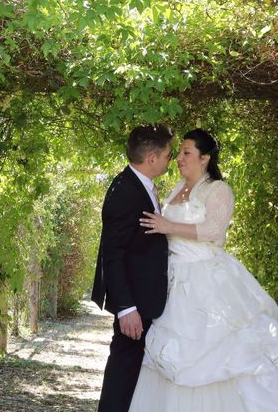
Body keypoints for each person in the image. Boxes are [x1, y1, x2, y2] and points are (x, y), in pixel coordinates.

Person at [130, 128, 278, 412]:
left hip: (206, 278)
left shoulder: (218, 189)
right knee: (169, 356)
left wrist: (168, 226)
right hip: (171, 280)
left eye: (186, 153)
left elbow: (214, 232)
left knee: (221, 350)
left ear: (204, 158)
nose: (178, 158)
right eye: (179, 153)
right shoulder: (175, 190)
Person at [91, 124, 174, 412]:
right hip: (135, 304)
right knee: (122, 375)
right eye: (167, 154)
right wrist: (126, 308)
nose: (170, 160)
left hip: (146, 299)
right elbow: (112, 254)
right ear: (152, 158)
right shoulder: (124, 191)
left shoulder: (140, 185)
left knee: (134, 377)